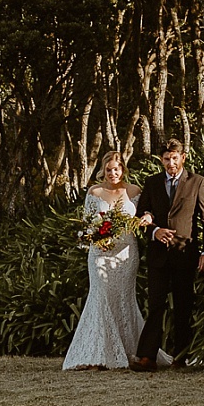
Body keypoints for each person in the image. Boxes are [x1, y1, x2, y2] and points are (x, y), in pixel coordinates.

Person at [62, 151, 150, 372]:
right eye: (109, 169)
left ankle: (128, 350)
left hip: (126, 254)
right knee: (101, 296)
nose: (113, 173)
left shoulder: (135, 191)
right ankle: (98, 354)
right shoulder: (95, 191)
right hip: (100, 253)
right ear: (103, 170)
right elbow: (87, 224)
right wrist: (97, 239)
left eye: (117, 168)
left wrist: (147, 219)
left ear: (123, 169)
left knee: (123, 298)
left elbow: (144, 216)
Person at [132, 138, 204, 371]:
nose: (170, 163)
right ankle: (147, 357)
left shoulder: (197, 182)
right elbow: (141, 214)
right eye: (166, 159)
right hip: (158, 254)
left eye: (174, 158)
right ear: (161, 160)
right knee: (156, 304)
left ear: (183, 157)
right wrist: (155, 230)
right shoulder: (152, 182)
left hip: (185, 253)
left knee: (183, 305)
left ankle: (181, 356)